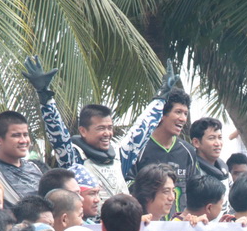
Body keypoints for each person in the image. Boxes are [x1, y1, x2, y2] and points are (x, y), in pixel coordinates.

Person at [23, 55, 174, 201]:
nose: (107, 133)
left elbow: (142, 129)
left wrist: (162, 96)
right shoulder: (74, 159)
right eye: (101, 128)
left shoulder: (120, 157)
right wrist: (45, 96)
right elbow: (58, 135)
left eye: (110, 127)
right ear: (83, 131)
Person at [131, 88, 197, 212]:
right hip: (145, 221)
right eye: (178, 112)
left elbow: (194, 191)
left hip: (179, 223)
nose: (183, 118)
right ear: (161, 114)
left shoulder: (188, 151)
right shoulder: (138, 148)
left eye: (185, 113)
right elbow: (129, 188)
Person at [191, 117, 230, 183]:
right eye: (211, 138)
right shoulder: (191, 171)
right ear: (196, 142)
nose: (218, 143)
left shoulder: (225, 171)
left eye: (220, 138)